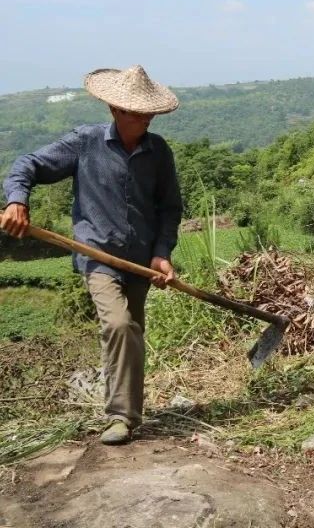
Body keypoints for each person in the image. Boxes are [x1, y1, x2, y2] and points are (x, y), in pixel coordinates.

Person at [1, 66, 183, 446]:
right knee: (118, 326)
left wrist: (161, 254)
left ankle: (128, 414)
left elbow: (169, 208)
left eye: (149, 112)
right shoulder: (86, 143)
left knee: (132, 332)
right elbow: (27, 165)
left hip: (140, 261)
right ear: (116, 109)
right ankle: (120, 416)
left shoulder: (158, 152)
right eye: (138, 111)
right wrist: (17, 200)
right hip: (98, 256)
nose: (146, 118)